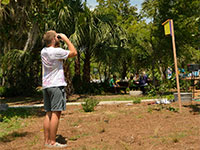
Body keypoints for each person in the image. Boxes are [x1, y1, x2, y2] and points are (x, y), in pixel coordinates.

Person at [41, 30, 77, 148]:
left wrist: (56, 38)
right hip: (56, 85)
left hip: (46, 86)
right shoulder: (56, 51)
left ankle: (47, 140)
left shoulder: (43, 51)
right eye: (56, 37)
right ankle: (52, 142)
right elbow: (74, 52)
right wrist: (66, 39)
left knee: (48, 113)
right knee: (56, 113)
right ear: (53, 40)